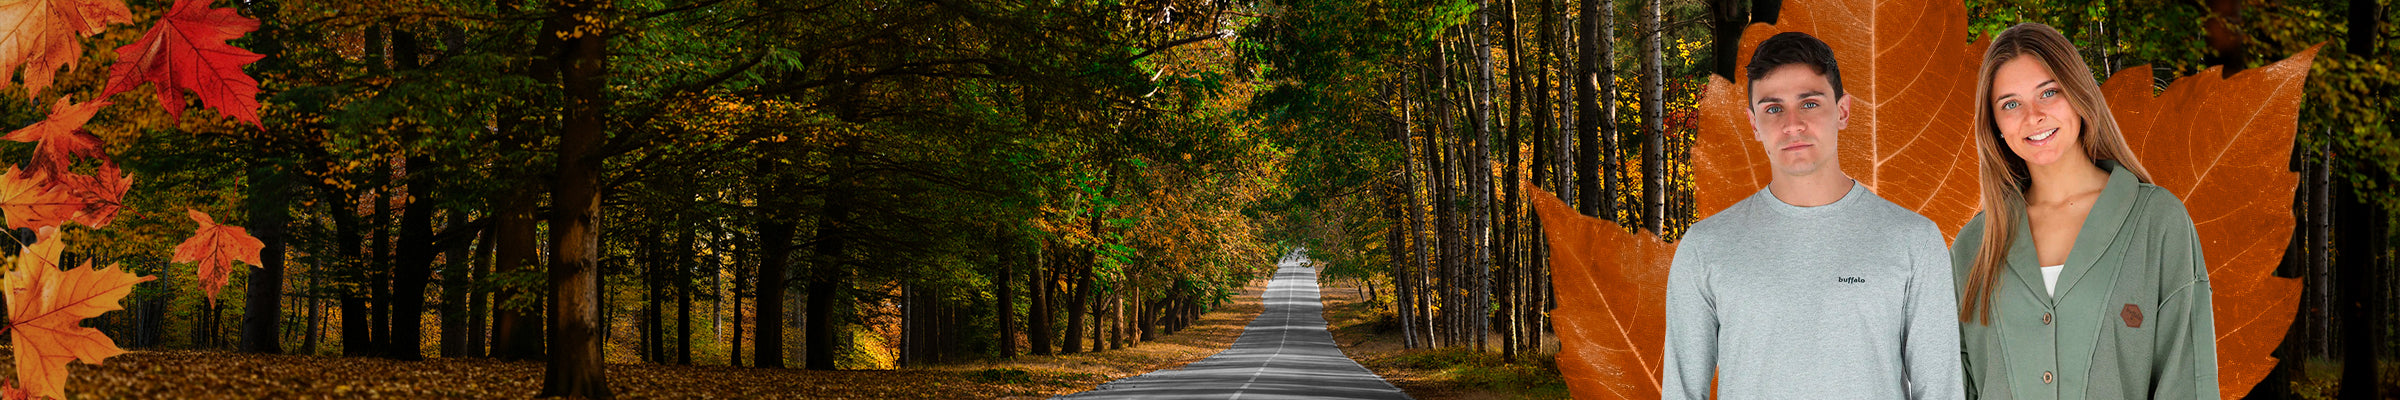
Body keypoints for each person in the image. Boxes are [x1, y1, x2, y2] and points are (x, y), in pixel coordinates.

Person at [1661, 31, 1964, 400]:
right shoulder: (1704, 248)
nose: (1792, 124)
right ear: (1754, 124)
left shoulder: (1915, 241)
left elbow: (1941, 391)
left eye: (1809, 103)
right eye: (1773, 108)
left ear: (1843, 111)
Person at [1950, 22, 2219, 400]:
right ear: (1994, 125)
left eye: (2049, 92)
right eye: (2010, 104)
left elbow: (2188, 381)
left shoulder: (2158, 223)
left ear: (2078, 94)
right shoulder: (1973, 246)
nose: (2033, 116)